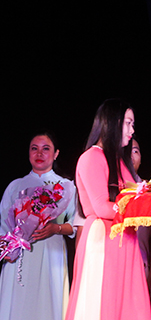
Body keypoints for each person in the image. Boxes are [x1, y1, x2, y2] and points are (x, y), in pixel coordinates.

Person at [65, 99, 151, 320]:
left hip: (127, 239)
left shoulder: (121, 162)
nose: (132, 130)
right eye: (128, 123)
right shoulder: (91, 157)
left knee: (130, 308)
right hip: (104, 240)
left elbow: (135, 197)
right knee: (102, 308)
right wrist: (142, 208)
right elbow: (102, 207)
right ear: (113, 122)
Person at [0, 132, 76, 320]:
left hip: (51, 253)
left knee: (48, 305)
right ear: (28, 153)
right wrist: (7, 250)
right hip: (18, 257)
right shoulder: (15, 186)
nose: (39, 153)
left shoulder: (66, 186)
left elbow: (76, 224)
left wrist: (55, 228)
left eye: (46, 149)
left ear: (56, 153)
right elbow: (2, 223)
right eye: (34, 148)